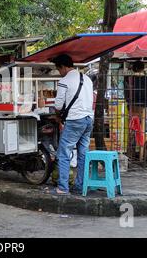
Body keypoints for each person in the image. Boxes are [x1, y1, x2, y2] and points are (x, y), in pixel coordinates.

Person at [48, 54, 94, 195]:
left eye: (59, 69)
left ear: (63, 67)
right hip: (88, 120)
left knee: (63, 153)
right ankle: (80, 186)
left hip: (75, 121)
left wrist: (57, 116)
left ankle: (62, 187)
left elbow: (58, 105)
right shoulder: (87, 79)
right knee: (83, 154)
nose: (59, 72)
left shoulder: (64, 81)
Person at [124, 61, 147, 133]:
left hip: (132, 105)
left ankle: (133, 140)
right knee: (145, 127)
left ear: (133, 69)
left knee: (133, 125)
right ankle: (144, 141)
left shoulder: (128, 79)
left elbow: (126, 91)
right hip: (145, 105)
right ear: (143, 68)